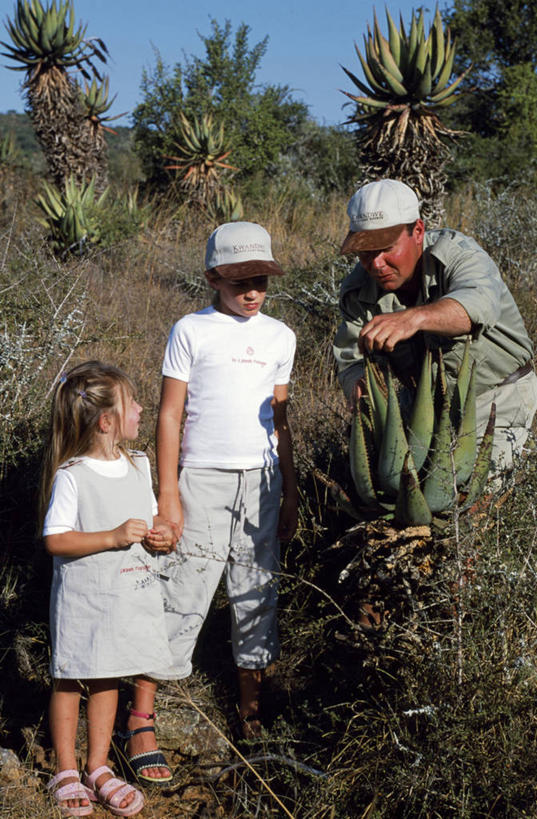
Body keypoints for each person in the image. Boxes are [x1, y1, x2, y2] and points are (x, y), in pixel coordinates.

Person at [155, 221, 298, 739]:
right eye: (239, 281)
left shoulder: (281, 336)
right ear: (213, 276)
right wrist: (168, 493)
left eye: (261, 278)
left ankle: (252, 716)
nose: (253, 291)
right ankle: (150, 716)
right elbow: (170, 415)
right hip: (202, 480)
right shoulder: (190, 330)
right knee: (183, 590)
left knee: (256, 592)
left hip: (262, 483)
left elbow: (279, 420)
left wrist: (291, 491)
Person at [40, 361, 176, 818]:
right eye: (132, 402)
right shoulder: (74, 475)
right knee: (69, 677)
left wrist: (162, 534)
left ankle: (97, 766)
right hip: (83, 600)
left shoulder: (139, 464)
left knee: (107, 675)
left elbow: (153, 515)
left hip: (126, 598)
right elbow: (56, 539)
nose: (141, 408)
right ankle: (65, 768)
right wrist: (112, 537)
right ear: (106, 421)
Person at [333, 178, 537, 478]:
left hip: (495, 397)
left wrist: (414, 319)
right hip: (421, 406)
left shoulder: (458, 254)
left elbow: (478, 305)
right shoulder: (357, 289)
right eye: (364, 252)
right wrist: (361, 390)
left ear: (417, 231)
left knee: (473, 504)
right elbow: (350, 360)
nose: (376, 264)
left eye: (387, 248)